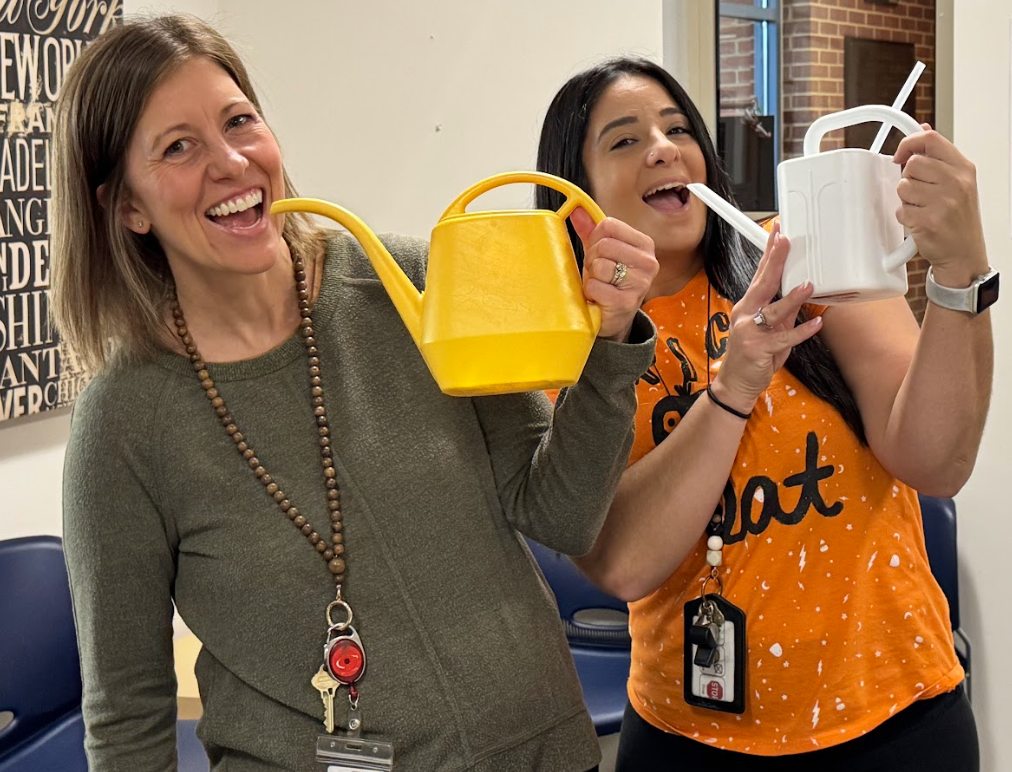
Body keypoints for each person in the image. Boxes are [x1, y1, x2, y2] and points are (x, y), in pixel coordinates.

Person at [51, 17, 661, 771]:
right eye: (178, 147)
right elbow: (126, 718)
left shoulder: (411, 283)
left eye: (241, 121)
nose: (233, 161)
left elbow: (559, 512)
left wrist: (611, 348)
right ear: (127, 207)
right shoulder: (124, 426)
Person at [536, 57, 992, 771]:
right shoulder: (572, 349)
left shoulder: (802, 255)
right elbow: (623, 561)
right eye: (623, 141)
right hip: (692, 739)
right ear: (575, 196)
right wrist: (732, 388)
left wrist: (961, 271)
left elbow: (936, 461)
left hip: (900, 719)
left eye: (679, 128)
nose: (663, 146)